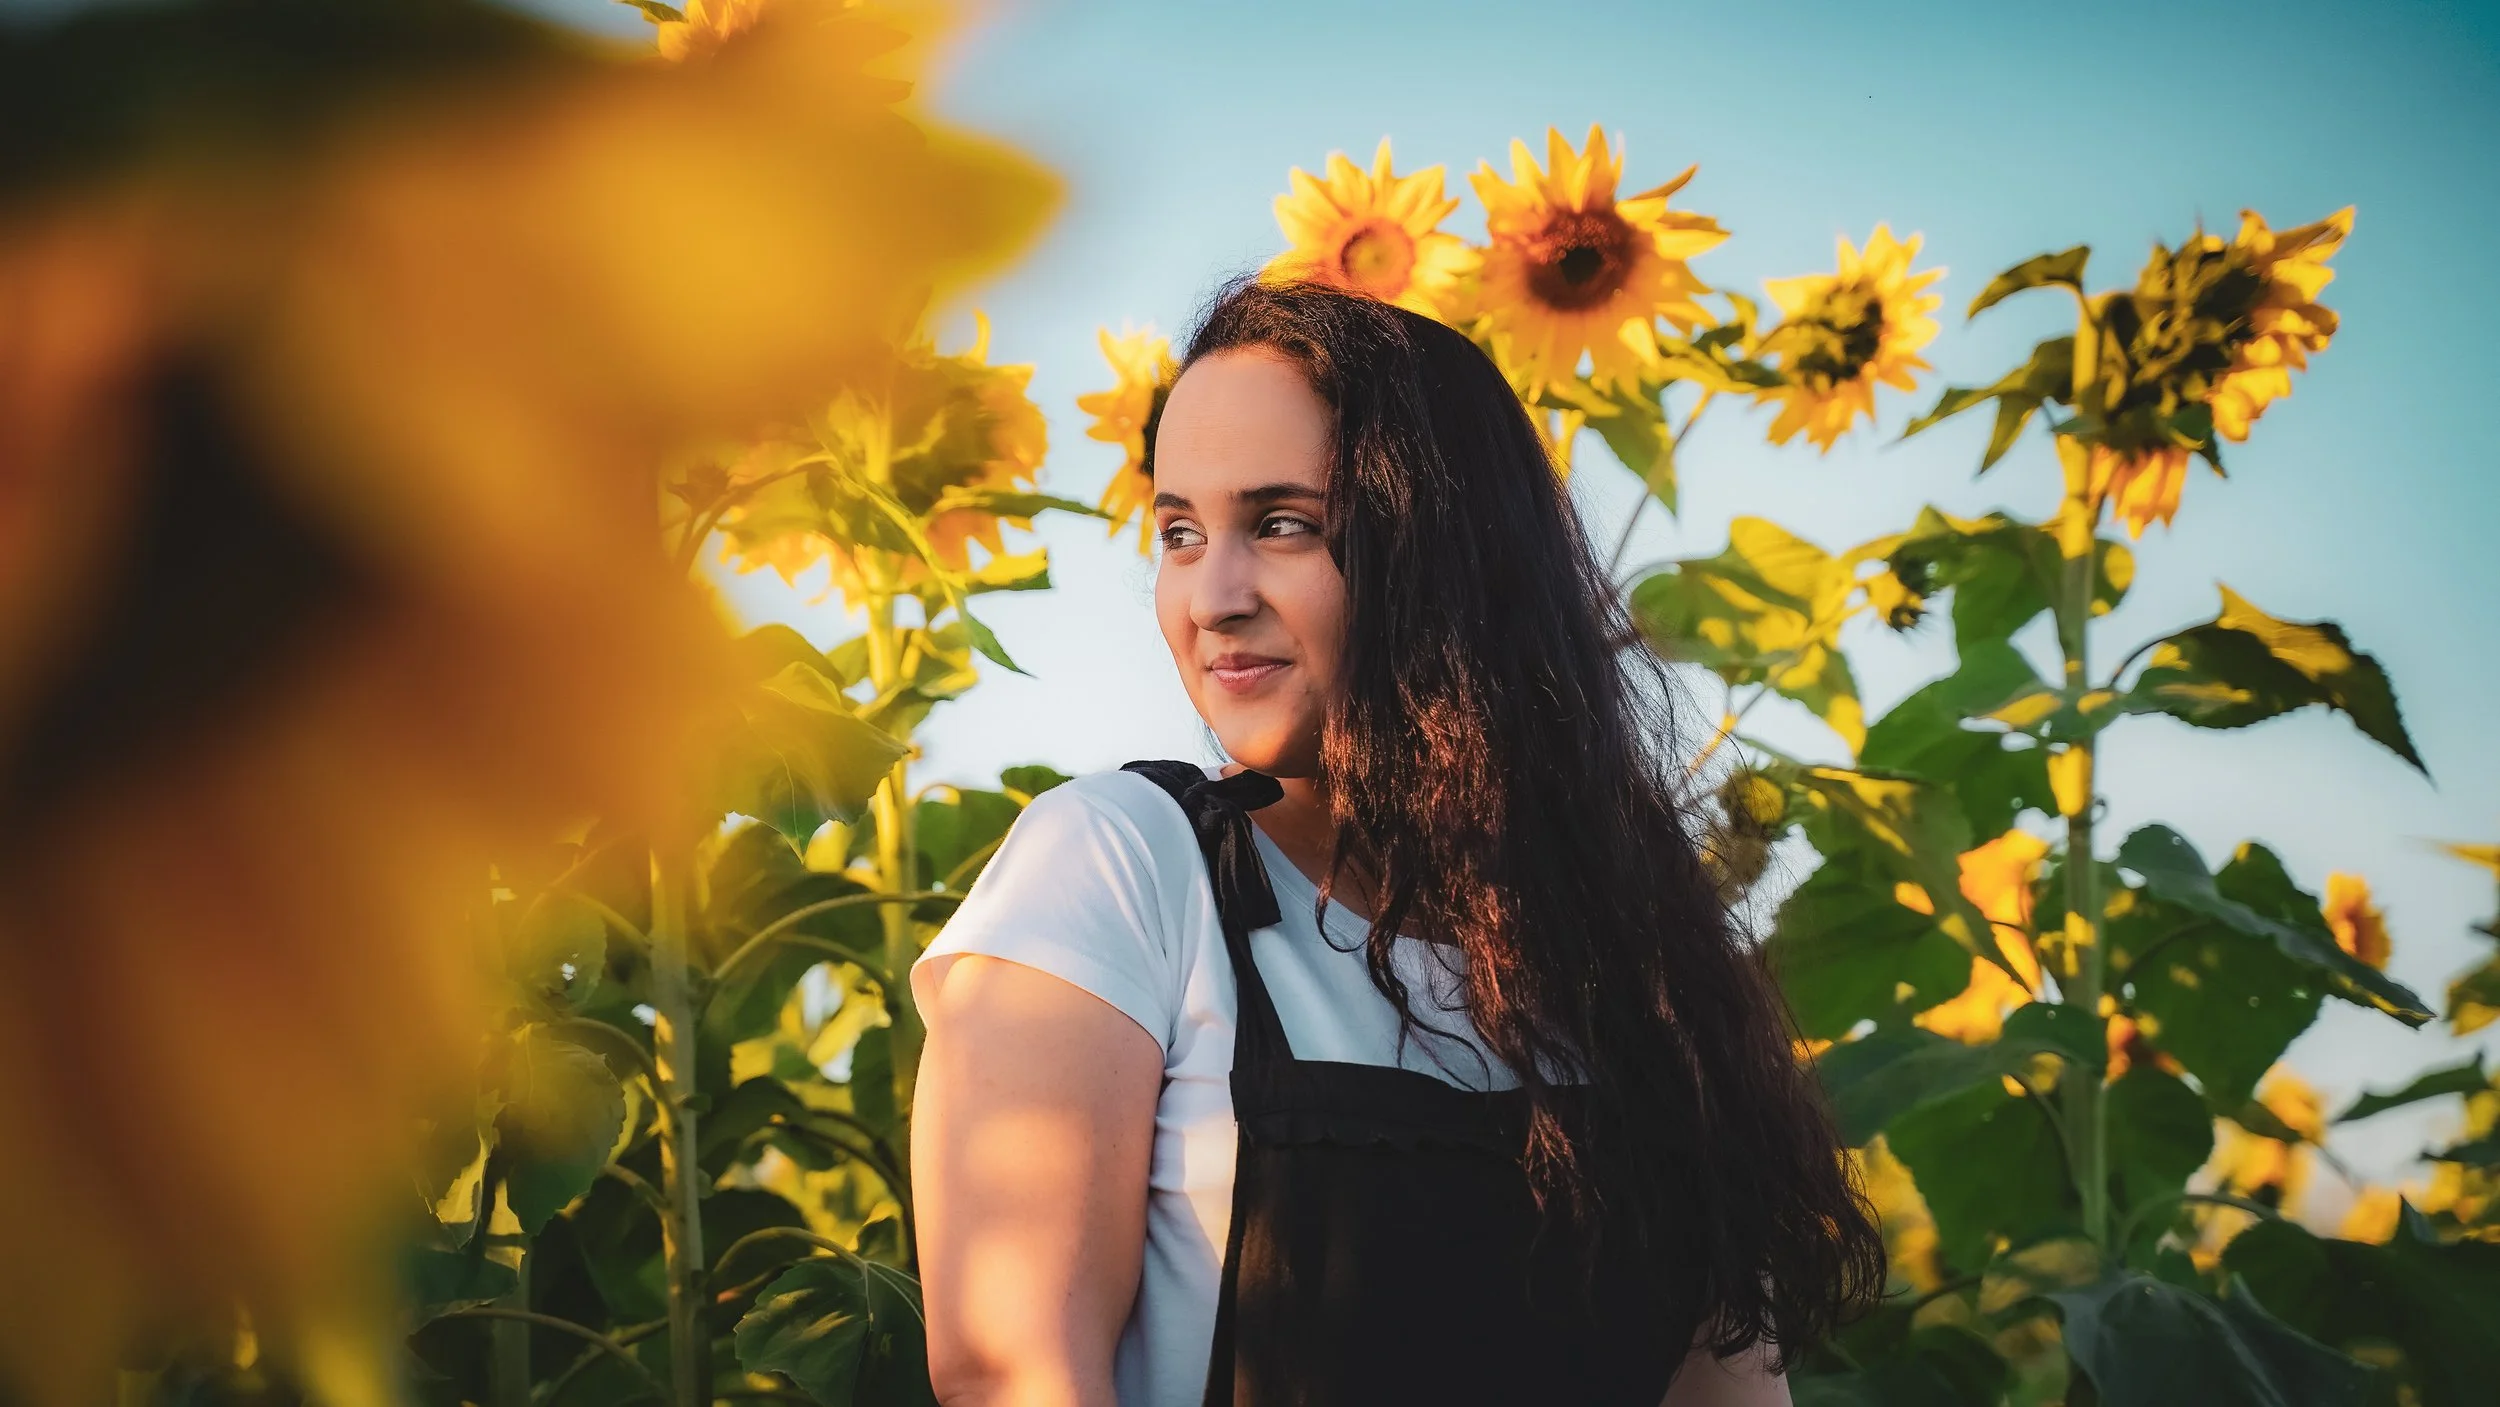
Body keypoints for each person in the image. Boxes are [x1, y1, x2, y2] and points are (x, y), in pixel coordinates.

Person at [909, 280, 1885, 1407]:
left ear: (1451, 554)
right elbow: (1011, 1373)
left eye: (1282, 524)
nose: (1210, 596)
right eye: (1180, 532)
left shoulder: (1626, 956)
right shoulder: (1127, 865)